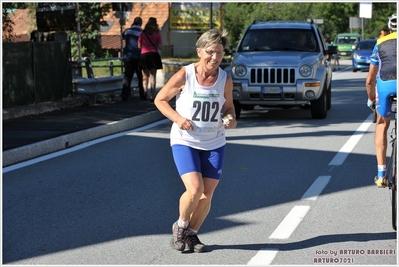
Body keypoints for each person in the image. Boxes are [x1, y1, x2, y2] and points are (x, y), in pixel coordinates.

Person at [154, 28, 237, 253]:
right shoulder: (185, 74)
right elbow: (160, 100)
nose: (215, 57)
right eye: (210, 52)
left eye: (220, 53)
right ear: (199, 51)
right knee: (194, 189)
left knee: (206, 195)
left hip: (215, 142)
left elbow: (229, 108)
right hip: (186, 140)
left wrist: (230, 119)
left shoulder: (224, 79)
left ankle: (191, 234)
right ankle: (180, 226)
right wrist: (178, 119)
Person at [365, 14, 397, 188]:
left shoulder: (380, 43)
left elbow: (370, 79)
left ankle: (381, 174)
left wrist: (370, 99)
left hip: (386, 84)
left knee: (382, 124)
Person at [138, 17, 163, 102]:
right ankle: (152, 95)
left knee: (145, 77)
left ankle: (145, 92)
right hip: (153, 55)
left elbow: (139, 45)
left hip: (144, 56)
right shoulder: (157, 33)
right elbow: (160, 47)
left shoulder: (143, 33)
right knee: (153, 76)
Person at [121, 17, 145, 101]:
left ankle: (125, 94)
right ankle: (142, 95)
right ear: (141, 23)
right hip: (138, 56)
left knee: (127, 76)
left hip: (128, 56)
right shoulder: (142, 32)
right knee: (140, 77)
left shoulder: (127, 31)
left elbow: (122, 36)